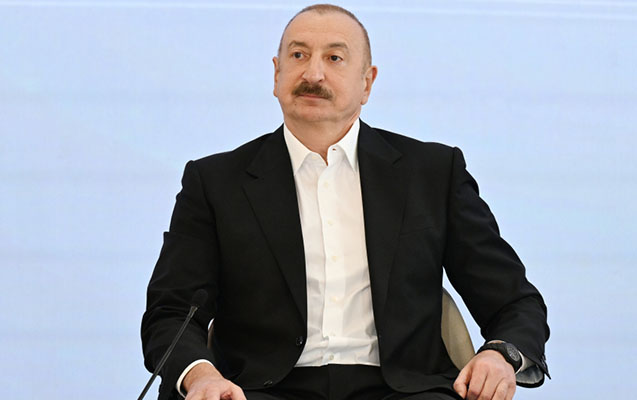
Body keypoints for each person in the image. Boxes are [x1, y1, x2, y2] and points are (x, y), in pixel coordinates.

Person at [141, 4, 549, 400]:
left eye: (334, 58)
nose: (313, 74)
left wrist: (501, 355)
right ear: (277, 74)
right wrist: (201, 376)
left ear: (367, 83)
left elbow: (514, 302)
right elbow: (171, 312)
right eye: (298, 55)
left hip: (404, 390)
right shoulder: (215, 182)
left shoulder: (432, 173)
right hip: (260, 389)